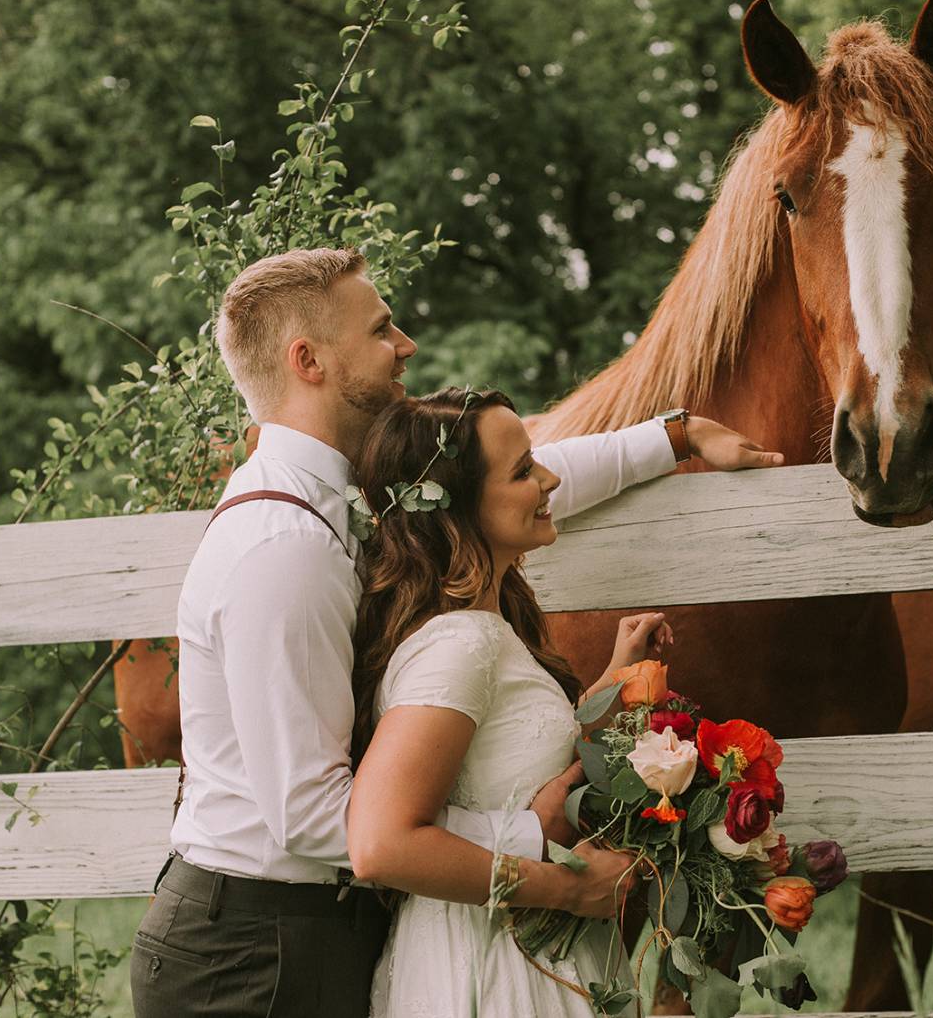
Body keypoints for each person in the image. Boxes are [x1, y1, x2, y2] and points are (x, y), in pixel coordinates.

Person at [129, 246, 783, 1018]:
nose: (404, 344)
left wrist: (670, 438)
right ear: (308, 359)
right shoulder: (284, 548)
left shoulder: (336, 498)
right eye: (380, 329)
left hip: (314, 931)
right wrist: (535, 838)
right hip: (254, 953)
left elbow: (498, 485)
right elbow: (315, 821)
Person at [348, 389, 687, 1017]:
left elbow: (505, 766)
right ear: (459, 510)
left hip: (532, 955)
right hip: (495, 968)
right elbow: (380, 843)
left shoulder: (486, 626)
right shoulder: (458, 646)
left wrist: (615, 685)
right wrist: (562, 889)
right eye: (523, 469)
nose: (549, 477)